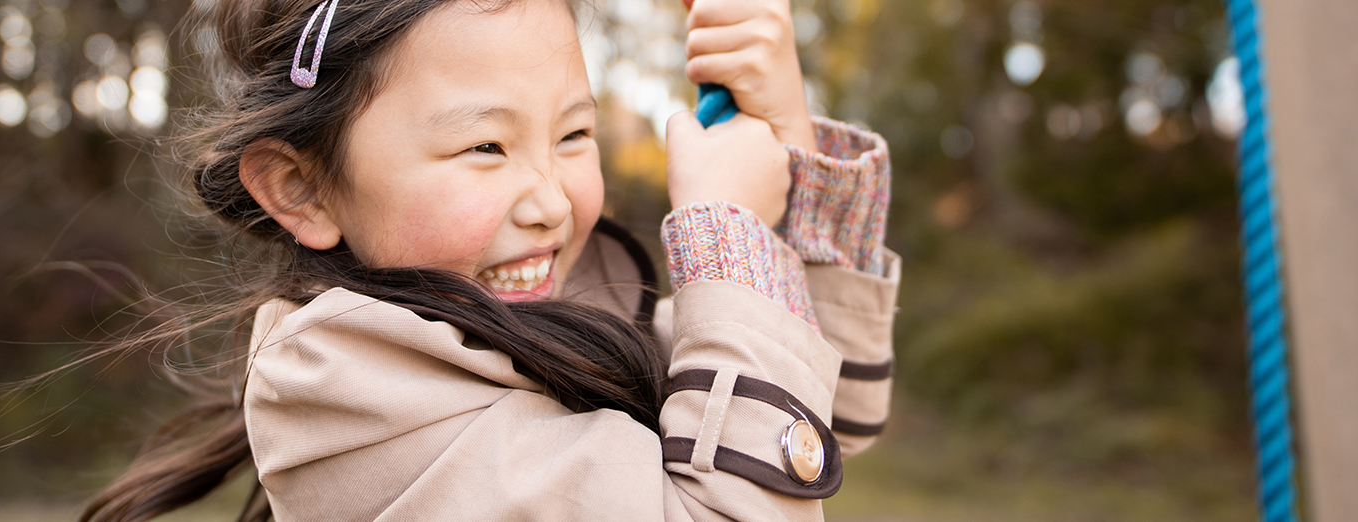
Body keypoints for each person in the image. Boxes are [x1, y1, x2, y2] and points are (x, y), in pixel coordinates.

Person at [80, 0, 898, 519]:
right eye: (484, 145)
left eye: (574, 134)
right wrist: (728, 244)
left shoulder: (577, 312)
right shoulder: (340, 386)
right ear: (304, 189)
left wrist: (788, 145)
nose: (549, 200)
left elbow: (822, 427)